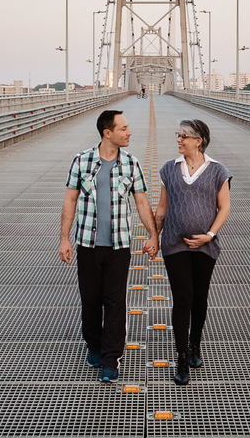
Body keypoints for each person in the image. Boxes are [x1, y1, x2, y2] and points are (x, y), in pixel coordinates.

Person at [60, 110, 159, 383]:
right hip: (88, 244)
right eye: (124, 128)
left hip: (119, 246)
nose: (129, 133)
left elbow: (141, 202)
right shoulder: (81, 161)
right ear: (108, 133)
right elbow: (70, 200)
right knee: (90, 301)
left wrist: (153, 236)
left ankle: (110, 359)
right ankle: (93, 346)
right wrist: (65, 238)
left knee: (115, 303)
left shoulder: (131, 163)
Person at [154, 118, 232, 385]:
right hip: (174, 244)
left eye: (184, 136)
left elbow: (224, 208)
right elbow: (162, 208)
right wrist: (154, 235)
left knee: (200, 297)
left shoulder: (218, 170)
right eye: (178, 135)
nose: (179, 139)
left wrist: (209, 235)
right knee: (183, 298)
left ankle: (195, 343)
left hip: (205, 245)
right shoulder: (169, 169)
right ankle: (182, 356)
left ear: (198, 141)